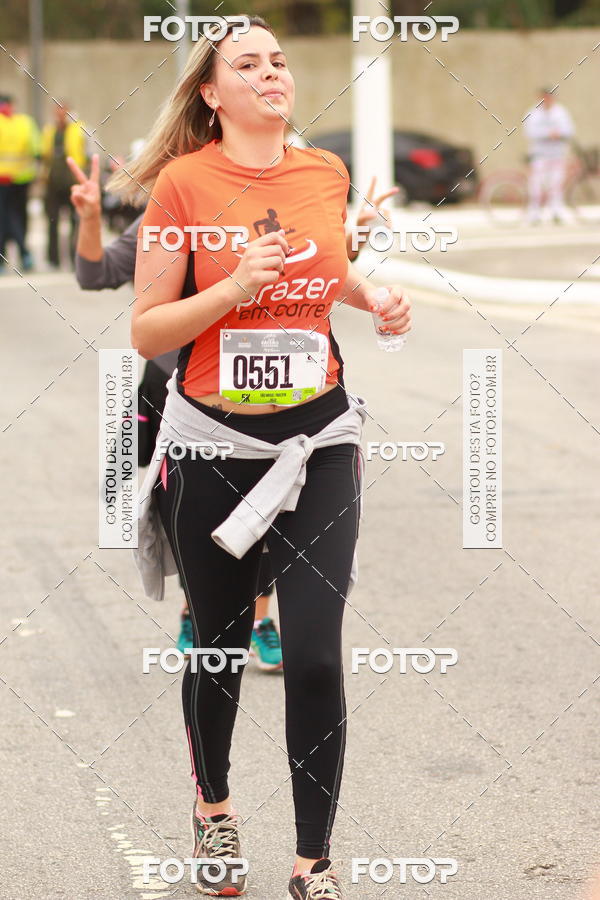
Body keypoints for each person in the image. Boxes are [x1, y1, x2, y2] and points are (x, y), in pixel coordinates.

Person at [109, 18, 410, 895]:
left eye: (278, 59)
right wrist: (234, 287)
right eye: (247, 63)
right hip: (212, 444)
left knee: (314, 653)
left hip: (319, 439)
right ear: (211, 93)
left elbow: (329, 267)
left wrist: (375, 296)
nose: (271, 72)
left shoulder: (323, 171)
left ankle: (313, 864)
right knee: (220, 648)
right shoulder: (182, 187)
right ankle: (213, 807)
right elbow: (147, 325)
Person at [68, 151, 283, 669]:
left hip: (260, 379)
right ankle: (197, 607)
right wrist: (92, 219)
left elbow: (315, 280)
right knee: (192, 506)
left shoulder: (271, 207)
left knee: (272, 502)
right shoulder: (164, 215)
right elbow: (95, 274)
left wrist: (358, 239)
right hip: (175, 382)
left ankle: (261, 618)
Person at [41, 100, 87, 268]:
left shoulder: (79, 129)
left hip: (72, 181)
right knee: (52, 221)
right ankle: (54, 259)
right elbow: (45, 155)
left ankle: (75, 256)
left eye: (64, 111)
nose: (60, 115)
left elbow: (88, 153)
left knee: (76, 221)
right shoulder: (49, 130)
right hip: (53, 182)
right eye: (58, 111)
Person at [523, 87, 575, 225]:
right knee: (536, 185)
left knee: (556, 184)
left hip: (557, 154)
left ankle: (556, 212)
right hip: (539, 155)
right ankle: (534, 214)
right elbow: (529, 132)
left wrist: (559, 134)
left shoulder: (561, 112)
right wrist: (548, 134)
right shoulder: (533, 113)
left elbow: (569, 130)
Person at [0, 94, 39, 272]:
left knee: (6, 218)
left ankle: (8, 256)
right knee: (18, 218)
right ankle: (24, 255)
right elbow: (37, 150)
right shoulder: (25, 123)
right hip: (22, 179)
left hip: (5, 180)